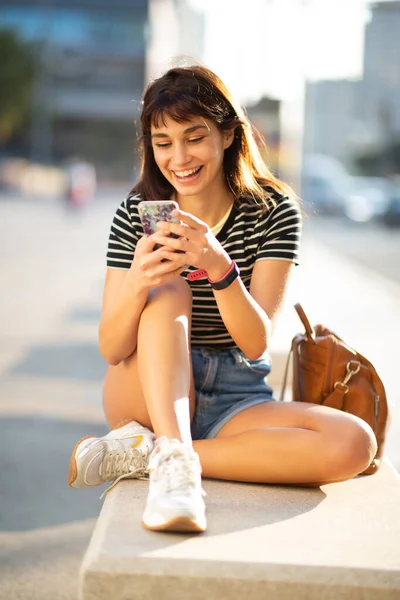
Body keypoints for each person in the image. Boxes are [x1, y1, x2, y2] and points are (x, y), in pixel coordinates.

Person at [68, 65, 377, 533]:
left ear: (228, 134)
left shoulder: (273, 211)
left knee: (354, 442)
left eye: (194, 137)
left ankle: (154, 452)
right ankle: (173, 463)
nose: (179, 157)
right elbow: (112, 348)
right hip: (145, 388)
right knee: (168, 287)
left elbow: (255, 344)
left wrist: (220, 267)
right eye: (163, 141)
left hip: (236, 394)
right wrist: (138, 281)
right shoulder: (136, 212)